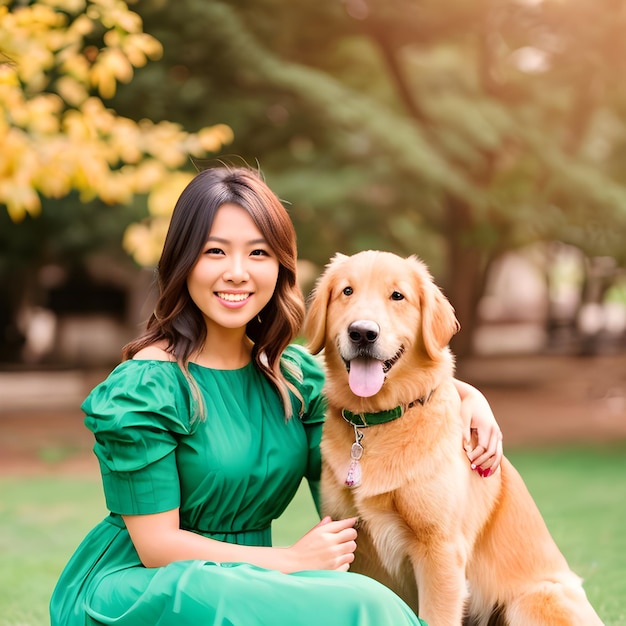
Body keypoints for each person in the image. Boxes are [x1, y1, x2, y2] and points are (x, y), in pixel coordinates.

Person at [50, 166, 503, 626]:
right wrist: (290, 561)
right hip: (146, 585)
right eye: (214, 252)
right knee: (362, 605)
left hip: (251, 582)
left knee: (354, 596)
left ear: (279, 266)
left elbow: (380, 405)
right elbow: (156, 547)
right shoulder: (147, 388)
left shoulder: (296, 380)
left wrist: (467, 397)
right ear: (183, 261)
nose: (237, 272)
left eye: (258, 253)